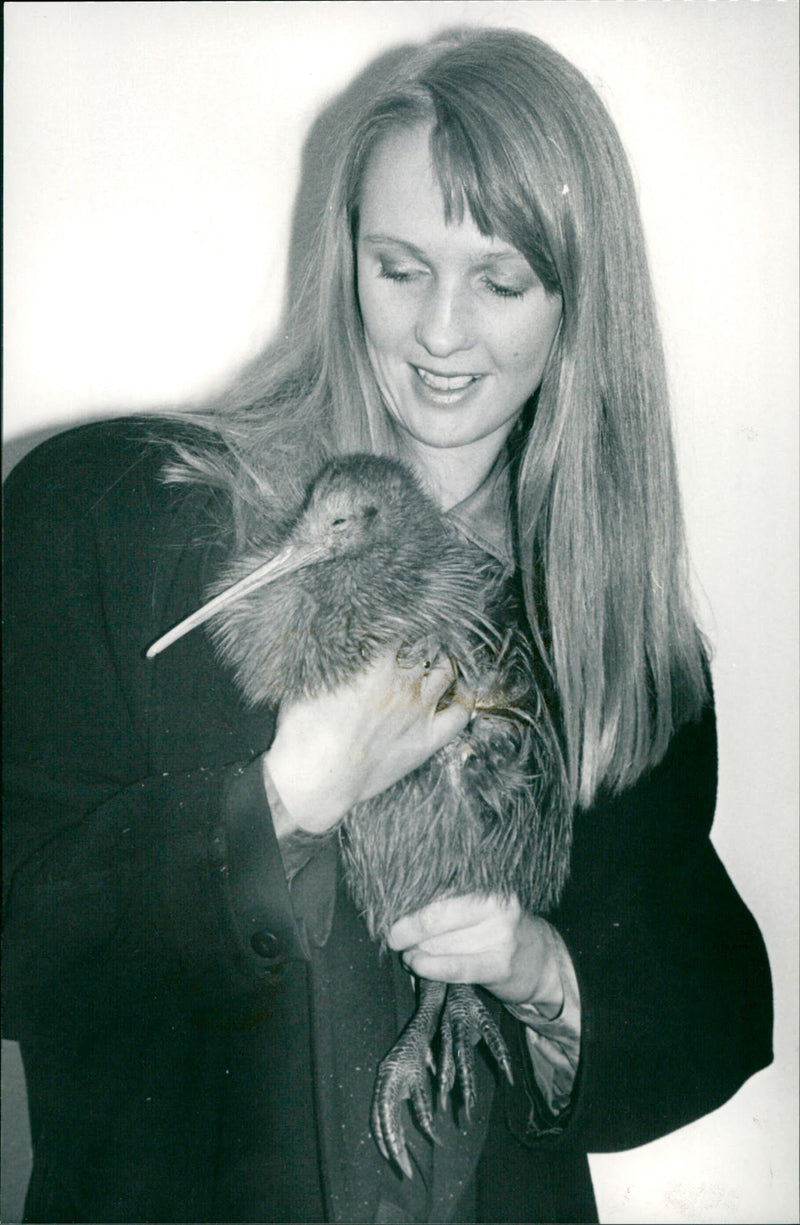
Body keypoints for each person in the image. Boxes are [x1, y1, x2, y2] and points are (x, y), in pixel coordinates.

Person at [2, 26, 772, 1225]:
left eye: (502, 280)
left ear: (580, 304)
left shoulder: (607, 630)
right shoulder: (113, 521)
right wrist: (270, 805)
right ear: (343, 257)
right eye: (399, 268)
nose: (441, 334)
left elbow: (715, 995)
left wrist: (543, 975)